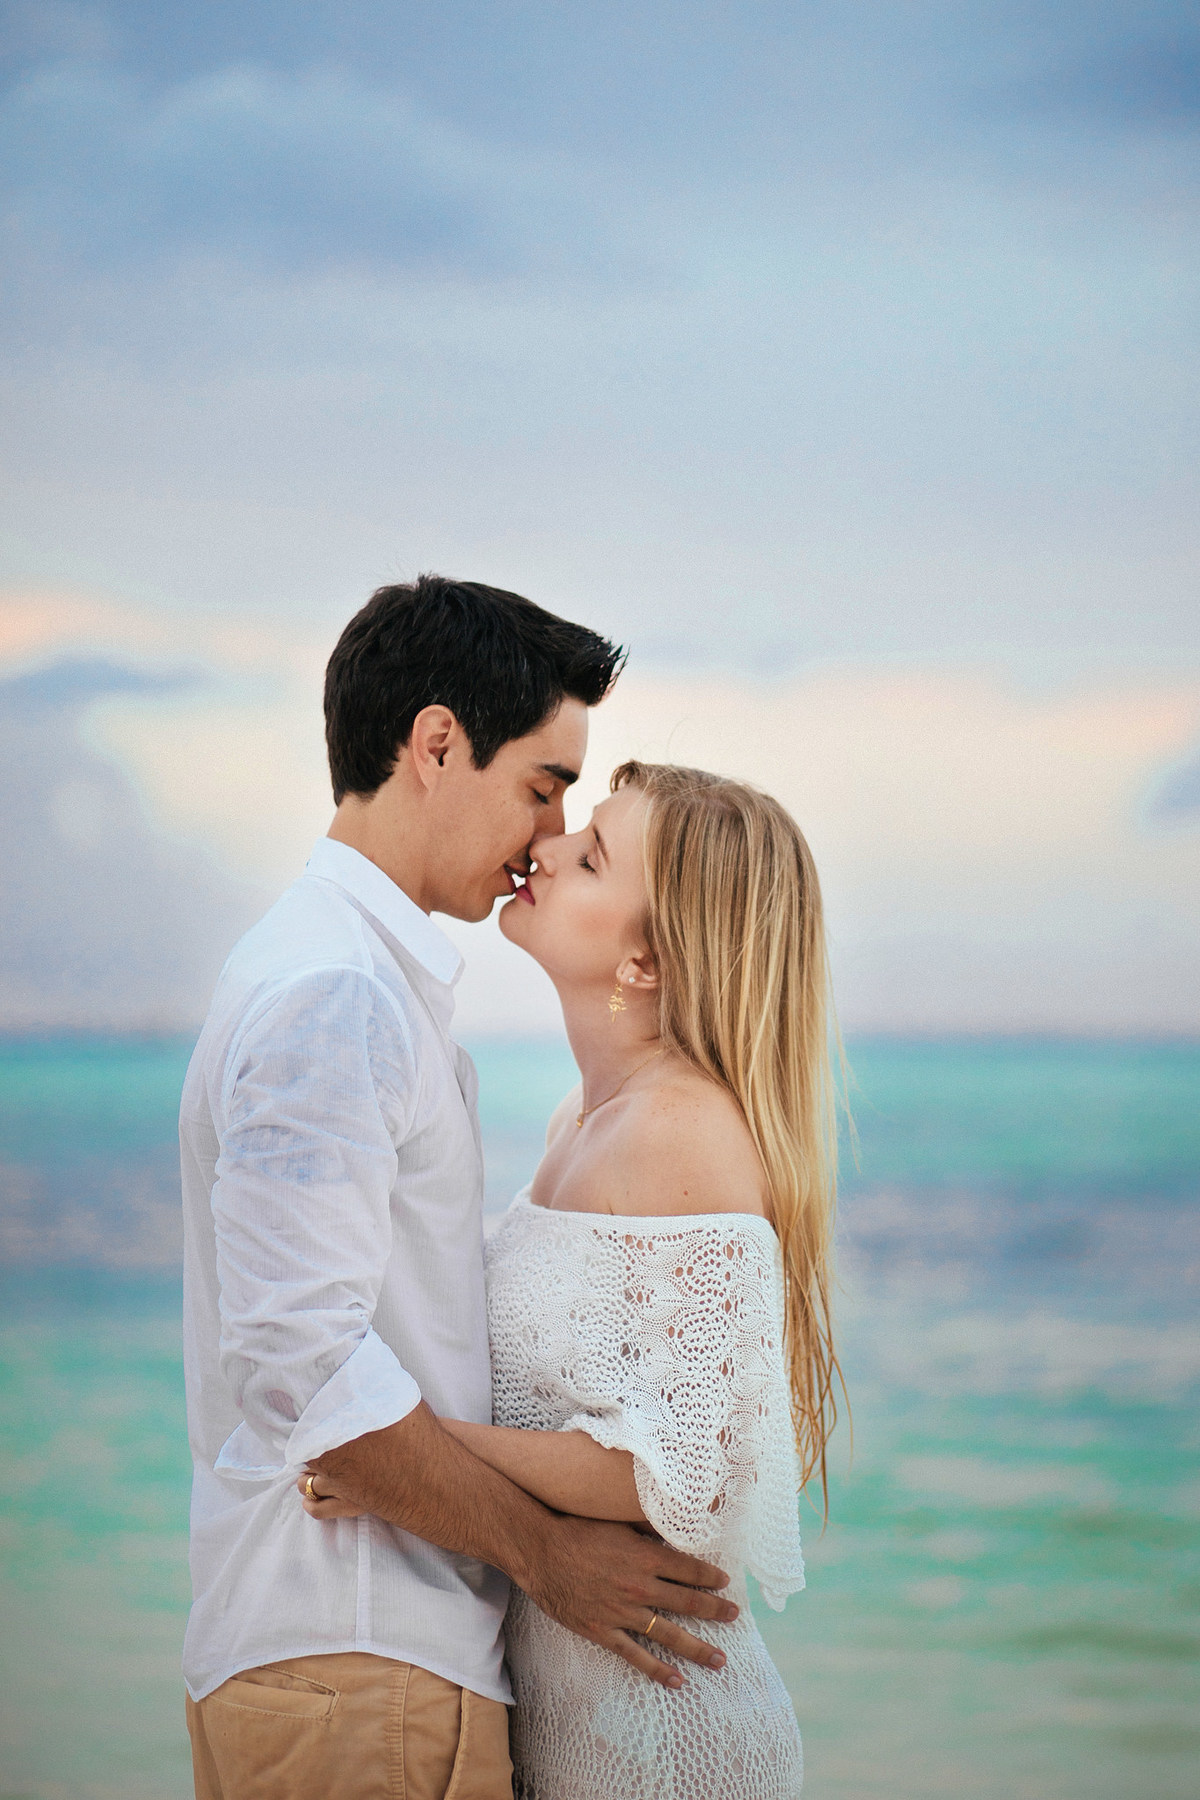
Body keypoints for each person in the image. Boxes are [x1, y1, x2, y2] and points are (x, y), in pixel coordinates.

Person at [180, 579, 739, 1800]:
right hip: (361, 1661)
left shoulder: (354, 984)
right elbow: (300, 1362)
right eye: (544, 787)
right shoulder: (337, 997)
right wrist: (548, 1558)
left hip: (360, 1668)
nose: (548, 833)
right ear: (437, 744)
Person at [307, 759, 844, 1798]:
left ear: (644, 959)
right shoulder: (583, 1118)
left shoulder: (683, 1130)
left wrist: (396, 1447)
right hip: (575, 1713)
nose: (544, 847)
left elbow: (690, 1474)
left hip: (663, 1738)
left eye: (590, 855)